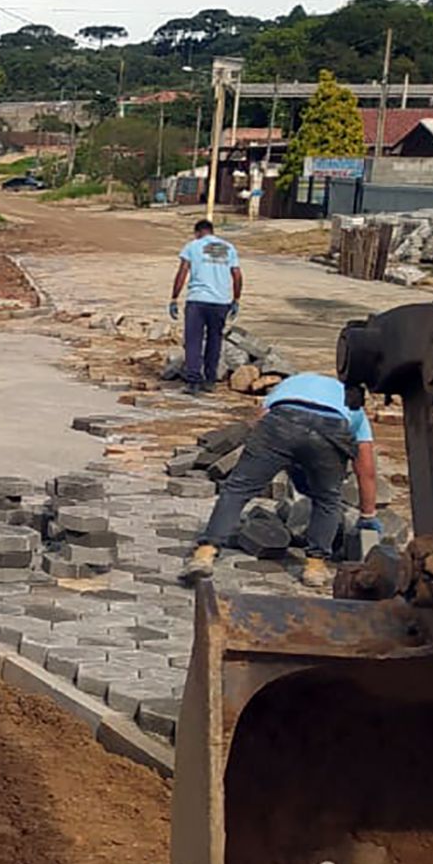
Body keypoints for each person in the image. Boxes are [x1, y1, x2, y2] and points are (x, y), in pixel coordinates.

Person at [183, 372, 382, 592]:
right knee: (327, 499)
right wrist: (367, 516)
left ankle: (205, 554)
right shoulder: (354, 404)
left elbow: (262, 421)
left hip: (280, 420)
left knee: (237, 489)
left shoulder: (289, 385)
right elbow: (366, 471)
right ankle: (315, 567)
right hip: (330, 428)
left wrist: (260, 461)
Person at [169, 220, 242, 393]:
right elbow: (237, 275)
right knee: (214, 340)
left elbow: (182, 272)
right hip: (221, 302)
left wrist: (174, 298)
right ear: (212, 231)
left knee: (193, 340)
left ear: (197, 232)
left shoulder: (193, 246)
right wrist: (236, 299)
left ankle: (193, 380)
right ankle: (210, 380)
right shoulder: (228, 248)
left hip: (197, 300)